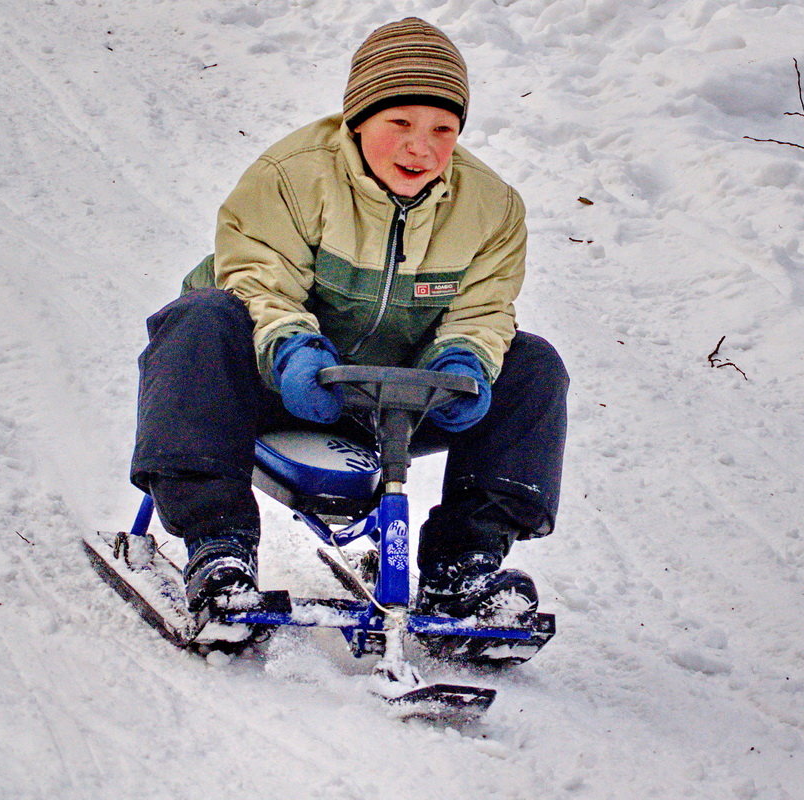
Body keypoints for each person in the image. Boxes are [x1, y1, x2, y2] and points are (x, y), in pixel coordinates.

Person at [130, 18, 568, 626]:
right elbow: (258, 278)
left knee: (534, 365)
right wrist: (293, 353)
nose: (422, 146)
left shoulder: (491, 208)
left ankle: (465, 569)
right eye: (401, 124)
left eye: (444, 128)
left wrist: (465, 360)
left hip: (401, 399)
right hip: (270, 381)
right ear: (358, 118)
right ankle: (219, 549)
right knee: (198, 320)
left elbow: (485, 310)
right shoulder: (292, 176)